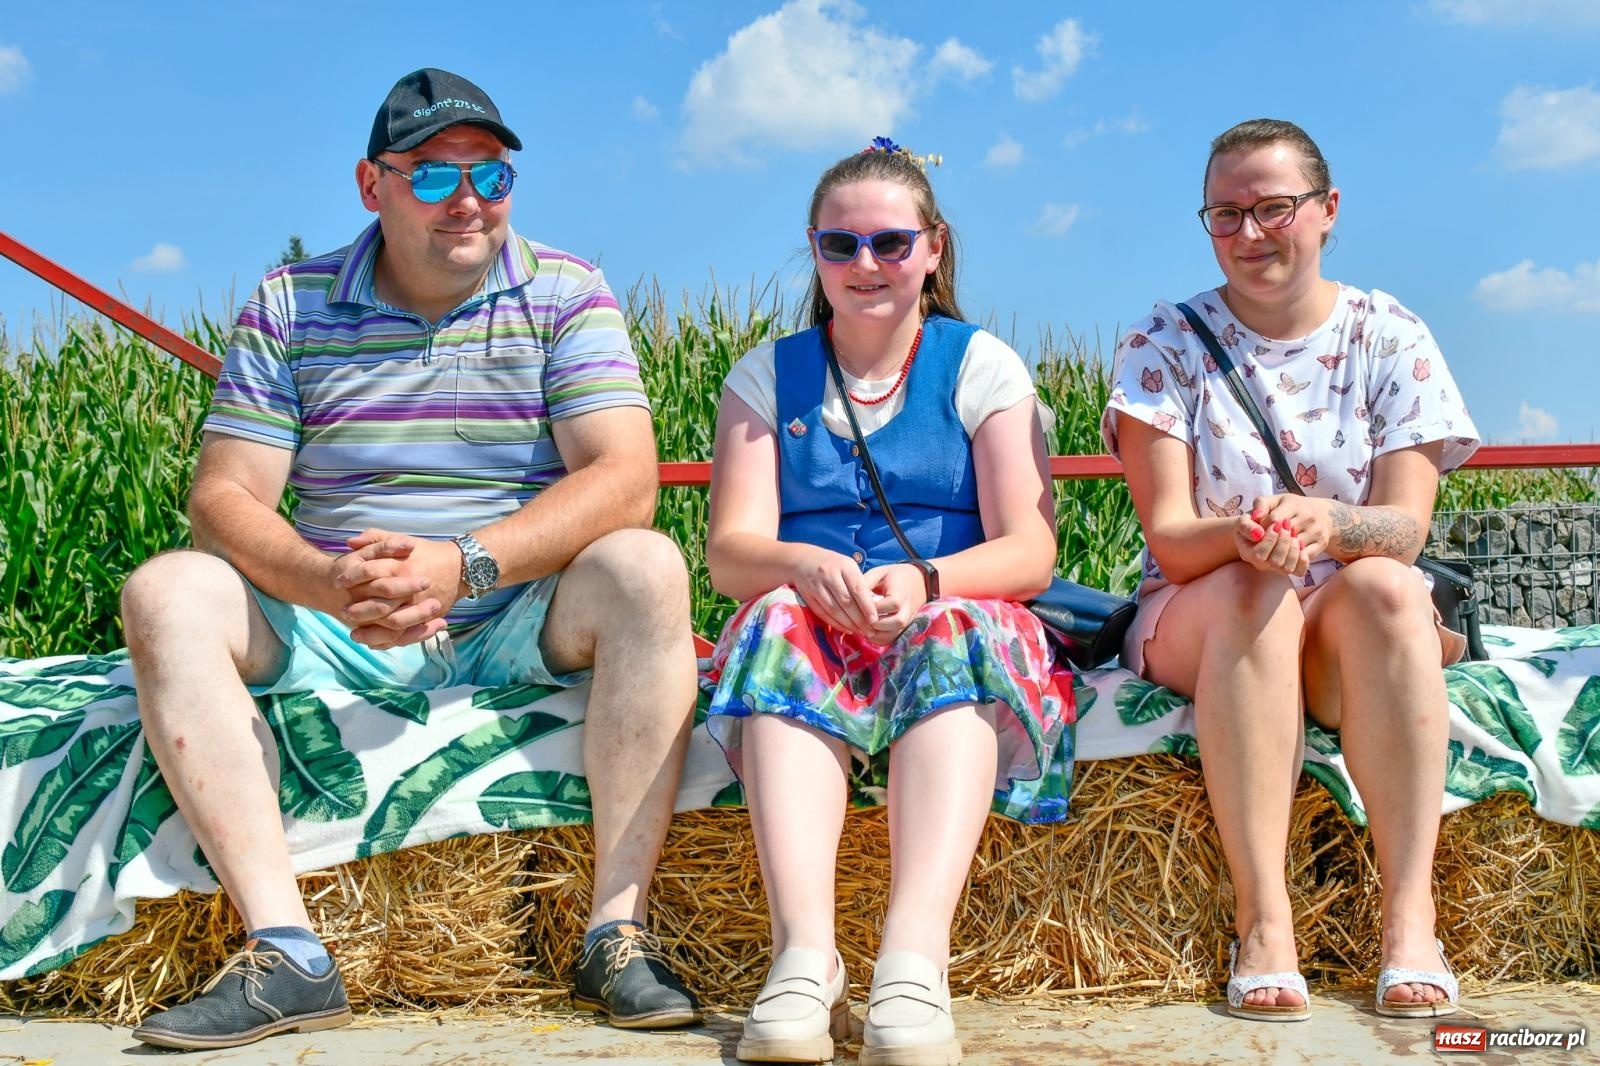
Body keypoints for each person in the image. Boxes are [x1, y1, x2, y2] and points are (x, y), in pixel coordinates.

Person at [118, 67, 701, 1050]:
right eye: (433, 176)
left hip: (516, 604)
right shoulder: (292, 304)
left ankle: (616, 927)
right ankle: (288, 951)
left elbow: (624, 478)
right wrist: (330, 583)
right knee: (166, 588)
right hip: (334, 615)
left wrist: (462, 564)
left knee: (646, 565)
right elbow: (223, 496)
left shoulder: (566, 290)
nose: (469, 199)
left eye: (492, 174)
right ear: (371, 185)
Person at [703, 139, 1073, 1066]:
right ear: (814, 251)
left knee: (950, 632)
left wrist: (931, 580)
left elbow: (1029, 550)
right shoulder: (765, 374)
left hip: (952, 604)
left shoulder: (981, 366)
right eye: (840, 246)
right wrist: (800, 564)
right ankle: (805, 954)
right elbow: (730, 554)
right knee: (778, 621)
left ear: (934, 248)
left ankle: (914, 959)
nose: (865, 265)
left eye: (890, 244)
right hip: (821, 622)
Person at [1102, 118, 1479, 1022]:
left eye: (1273, 207)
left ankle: (1409, 918)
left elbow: (1405, 527)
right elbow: (1172, 538)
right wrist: (1248, 537)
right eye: (1225, 215)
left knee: (1390, 584)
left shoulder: (1391, 336)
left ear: (1327, 211)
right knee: (1251, 587)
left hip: (1342, 620)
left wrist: (1330, 523)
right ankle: (1264, 920)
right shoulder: (1164, 344)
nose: (1250, 233)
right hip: (1214, 609)